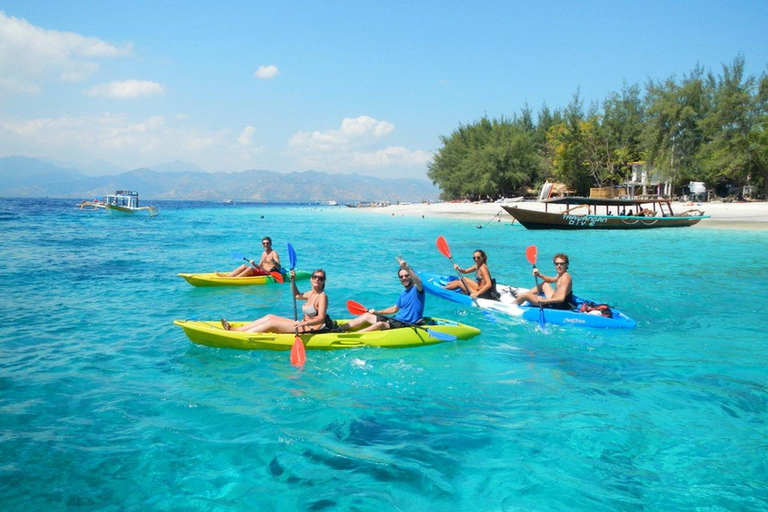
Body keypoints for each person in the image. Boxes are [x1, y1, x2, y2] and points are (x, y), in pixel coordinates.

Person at [221, 269, 334, 333]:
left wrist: (305, 323)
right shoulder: (310, 293)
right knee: (270, 316)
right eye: (315, 277)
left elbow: (321, 318)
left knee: (271, 324)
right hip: (301, 324)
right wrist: (292, 280)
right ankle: (237, 330)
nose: (317, 279)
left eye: (321, 278)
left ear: (324, 282)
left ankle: (239, 334)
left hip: (310, 328)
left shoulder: (322, 296)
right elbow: (296, 295)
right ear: (311, 279)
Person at [341, 258, 425, 332]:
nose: (404, 278)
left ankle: (355, 335)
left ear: (411, 275)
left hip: (406, 324)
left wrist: (406, 267)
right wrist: (377, 312)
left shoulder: (417, 289)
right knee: (367, 316)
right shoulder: (403, 294)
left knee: (380, 324)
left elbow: (419, 281)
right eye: (401, 277)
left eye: (406, 275)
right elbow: (394, 309)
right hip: (395, 319)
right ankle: (337, 329)